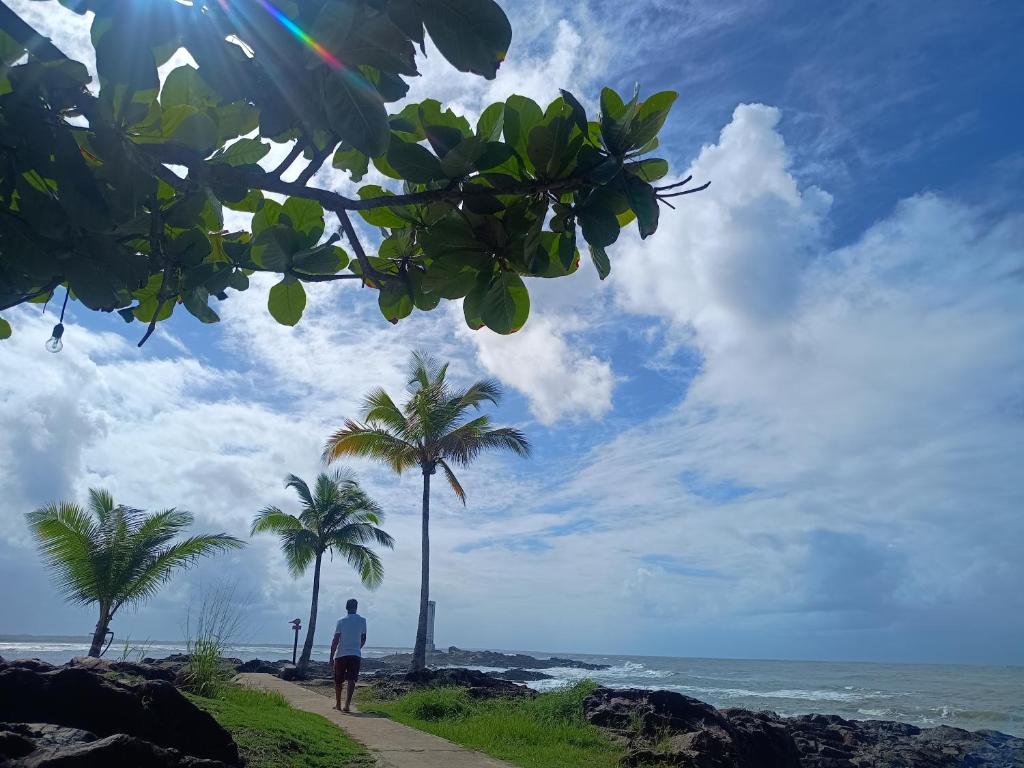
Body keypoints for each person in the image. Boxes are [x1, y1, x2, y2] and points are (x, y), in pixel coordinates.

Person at [330, 598, 367, 712]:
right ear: (356, 607)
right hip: (355, 654)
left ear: (346, 607)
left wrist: (331, 656)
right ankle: (347, 705)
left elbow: (336, 640)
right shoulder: (362, 620)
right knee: (351, 680)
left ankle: (338, 704)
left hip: (341, 654)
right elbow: (363, 638)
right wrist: (357, 648)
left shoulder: (341, 621)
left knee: (338, 681)